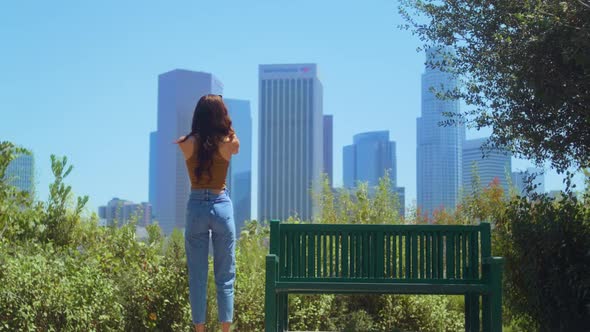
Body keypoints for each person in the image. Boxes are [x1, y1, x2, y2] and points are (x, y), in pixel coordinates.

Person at [176, 94, 239, 332]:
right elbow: (236, 143)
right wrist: (227, 123)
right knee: (225, 276)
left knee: (198, 277)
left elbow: (188, 139)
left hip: (196, 208)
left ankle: (200, 330)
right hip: (221, 204)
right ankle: (225, 330)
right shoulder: (229, 142)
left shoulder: (186, 142)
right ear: (220, 115)